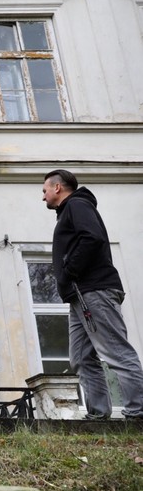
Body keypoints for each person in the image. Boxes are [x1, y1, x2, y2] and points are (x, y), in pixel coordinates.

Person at [42, 169, 143, 420]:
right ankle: (98, 415)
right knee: (81, 357)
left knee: (115, 351)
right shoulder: (70, 210)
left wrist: (70, 271)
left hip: (93, 290)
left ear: (57, 188)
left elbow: (92, 238)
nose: (43, 197)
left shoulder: (77, 205)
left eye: (45, 190)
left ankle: (139, 410)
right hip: (79, 295)